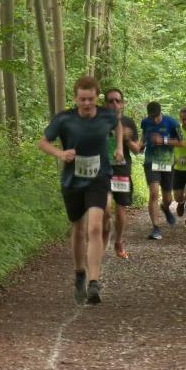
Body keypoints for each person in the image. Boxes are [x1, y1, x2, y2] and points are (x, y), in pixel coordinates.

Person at [38, 76, 123, 305]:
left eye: (91, 99)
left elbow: (118, 126)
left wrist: (120, 147)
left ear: (97, 98)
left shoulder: (106, 115)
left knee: (95, 226)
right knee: (78, 229)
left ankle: (94, 282)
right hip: (72, 180)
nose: (87, 103)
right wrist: (60, 154)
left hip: (99, 177)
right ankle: (79, 273)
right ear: (76, 98)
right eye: (83, 99)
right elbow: (43, 142)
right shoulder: (64, 119)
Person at [103, 88, 140, 259]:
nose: (114, 104)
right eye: (110, 101)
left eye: (117, 100)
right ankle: (104, 235)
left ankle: (118, 241)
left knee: (120, 209)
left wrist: (127, 139)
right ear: (105, 104)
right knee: (105, 210)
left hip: (122, 170)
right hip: (103, 170)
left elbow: (137, 150)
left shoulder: (128, 123)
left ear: (122, 104)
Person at [139, 101, 184, 239]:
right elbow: (144, 136)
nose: (154, 119)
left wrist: (163, 140)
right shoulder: (145, 122)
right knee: (153, 193)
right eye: (152, 117)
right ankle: (156, 228)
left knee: (168, 198)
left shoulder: (172, 123)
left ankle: (165, 207)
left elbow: (181, 142)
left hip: (166, 162)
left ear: (160, 112)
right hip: (151, 161)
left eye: (156, 117)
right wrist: (141, 145)